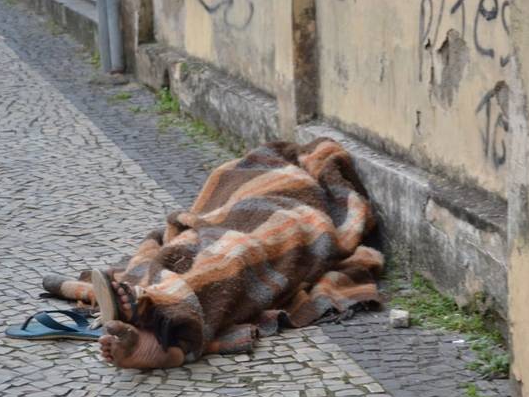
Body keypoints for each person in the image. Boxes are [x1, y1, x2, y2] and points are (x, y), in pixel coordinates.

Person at [44, 138, 384, 369]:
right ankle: (160, 317)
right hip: (221, 221)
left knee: (242, 253)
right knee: (187, 249)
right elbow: (221, 190)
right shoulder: (246, 169)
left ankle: (161, 319)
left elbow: (326, 218)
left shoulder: (304, 182)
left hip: (285, 214)